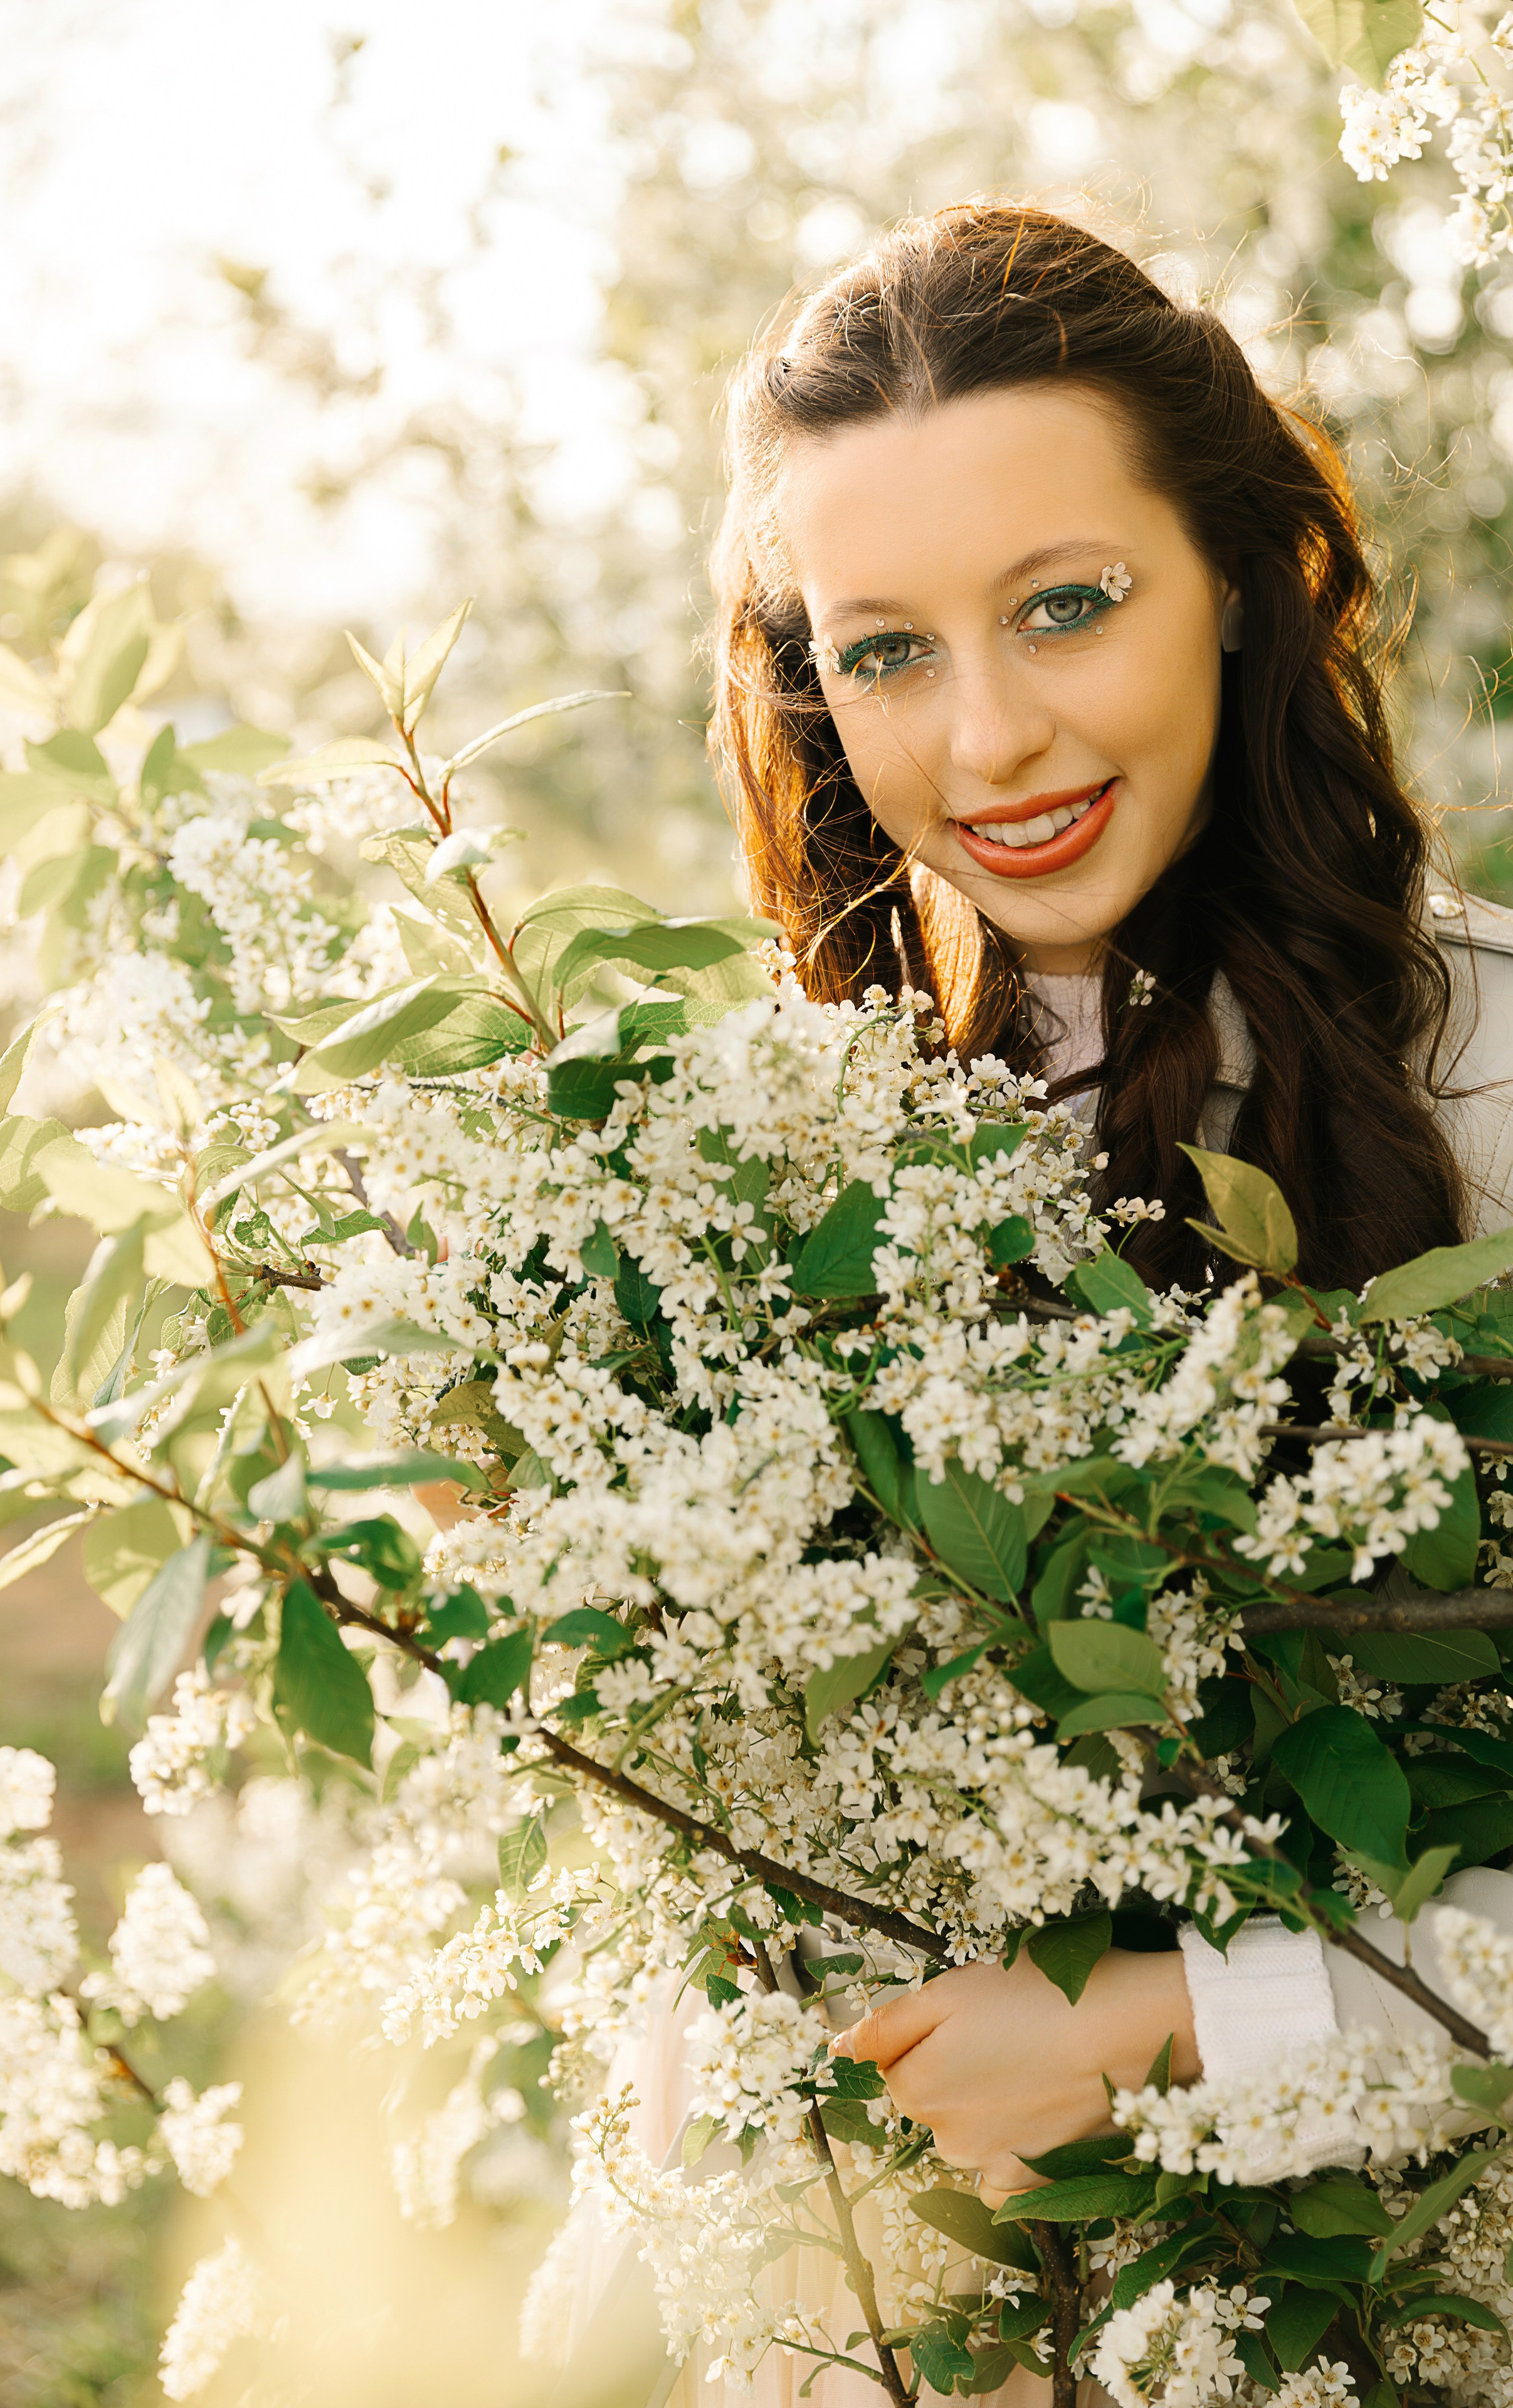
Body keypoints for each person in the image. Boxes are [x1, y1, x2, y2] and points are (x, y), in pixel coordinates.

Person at [556, 199, 1513, 2408]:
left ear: (1251, 590)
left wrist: (1172, 2028)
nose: (988, 739)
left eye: (1067, 607)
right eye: (885, 651)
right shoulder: (772, 1163)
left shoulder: (1483, 1074)